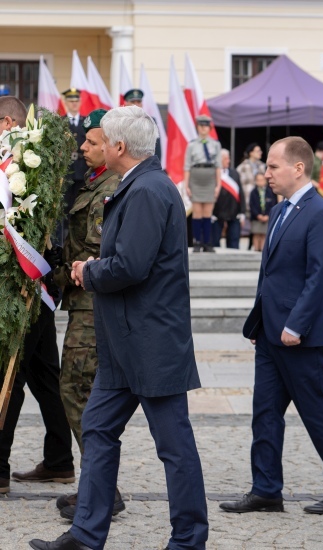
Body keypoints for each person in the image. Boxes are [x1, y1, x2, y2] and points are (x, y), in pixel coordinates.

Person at [29, 106, 208, 550]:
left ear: (120, 147)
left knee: (174, 446)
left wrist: (88, 272)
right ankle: (86, 535)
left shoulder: (147, 189)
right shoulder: (137, 184)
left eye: (102, 140)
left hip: (150, 343)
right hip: (123, 343)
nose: (96, 147)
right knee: (98, 430)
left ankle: (188, 539)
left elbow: (130, 265)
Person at [219, 136, 323, 516]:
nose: (266, 174)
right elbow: (272, 276)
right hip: (270, 333)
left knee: (316, 412)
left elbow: (319, 277)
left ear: (298, 168)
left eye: (273, 167)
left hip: (301, 337)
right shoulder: (282, 210)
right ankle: (266, 489)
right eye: (266, 166)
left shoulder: (320, 212)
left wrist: (295, 325)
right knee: (264, 413)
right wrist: (260, 323)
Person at [50, 109, 124, 521]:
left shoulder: (111, 189)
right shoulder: (93, 184)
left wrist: (54, 271)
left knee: (78, 391)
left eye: (91, 142)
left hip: (92, 307)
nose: (83, 148)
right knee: (80, 392)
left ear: (114, 145)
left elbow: (95, 257)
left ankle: (103, 489)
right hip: (83, 306)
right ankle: (99, 485)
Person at [0, 96, 75, 495]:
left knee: (8, 374)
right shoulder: (14, 159)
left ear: (9, 120)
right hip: (32, 286)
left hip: (24, 286)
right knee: (45, 375)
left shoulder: (24, 160)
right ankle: (60, 459)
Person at [184, 114, 221, 252]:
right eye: (201, 126)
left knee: (208, 212)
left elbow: (218, 166)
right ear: (198, 127)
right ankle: (197, 242)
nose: (204, 128)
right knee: (197, 212)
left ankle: (207, 243)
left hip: (210, 177)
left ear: (209, 128)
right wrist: (186, 185)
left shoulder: (215, 144)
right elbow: (187, 166)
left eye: (206, 126)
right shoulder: (192, 144)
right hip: (196, 177)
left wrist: (218, 185)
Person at [60, 88, 87, 242]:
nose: (74, 104)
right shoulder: (61, 123)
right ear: (66, 103)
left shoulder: (85, 122)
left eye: (76, 101)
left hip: (82, 171)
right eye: (71, 101)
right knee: (65, 208)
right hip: (66, 172)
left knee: (79, 206)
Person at [212, 148, 245, 249]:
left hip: (234, 213)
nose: (229, 161)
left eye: (228, 158)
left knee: (234, 242)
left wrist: (242, 212)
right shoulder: (213, 173)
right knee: (214, 242)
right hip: (217, 213)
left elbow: (241, 193)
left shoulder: (234, 173)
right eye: (226, 158)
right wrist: (211, 212)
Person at [123, 88, 161, 160]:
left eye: (139, 101)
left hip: (145, 163)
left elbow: (157, 147)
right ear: (126, 103)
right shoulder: (119, 121)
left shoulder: (151, 121)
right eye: (133, 102)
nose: (136, 105)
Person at [249, 172, 277, 252]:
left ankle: (262, 250)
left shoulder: (270, 192)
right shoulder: (253, 192)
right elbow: (252, 205)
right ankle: (256, 249)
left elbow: (273, 204)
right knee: (256, 233)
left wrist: (268, 215)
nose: (260, 182)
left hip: (267, 217)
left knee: (264, 234)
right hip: (256, 217)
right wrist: (258, 215)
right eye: (258, 180)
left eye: (262, 180)